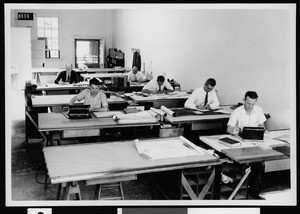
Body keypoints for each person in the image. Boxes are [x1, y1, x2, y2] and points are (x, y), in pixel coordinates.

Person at [226, 91, 266, 199]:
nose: (251, 106)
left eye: (253, 104)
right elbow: (229, 128)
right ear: (244, 100)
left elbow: (263, 126)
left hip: (255, 141)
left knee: (259, 164)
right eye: (248, 103)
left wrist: (260, 132)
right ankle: (248, 190)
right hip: (241, 141)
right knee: (252, 164)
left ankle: (256, 191)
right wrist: (235, 131)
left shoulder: (259, 109)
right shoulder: (237, 111)